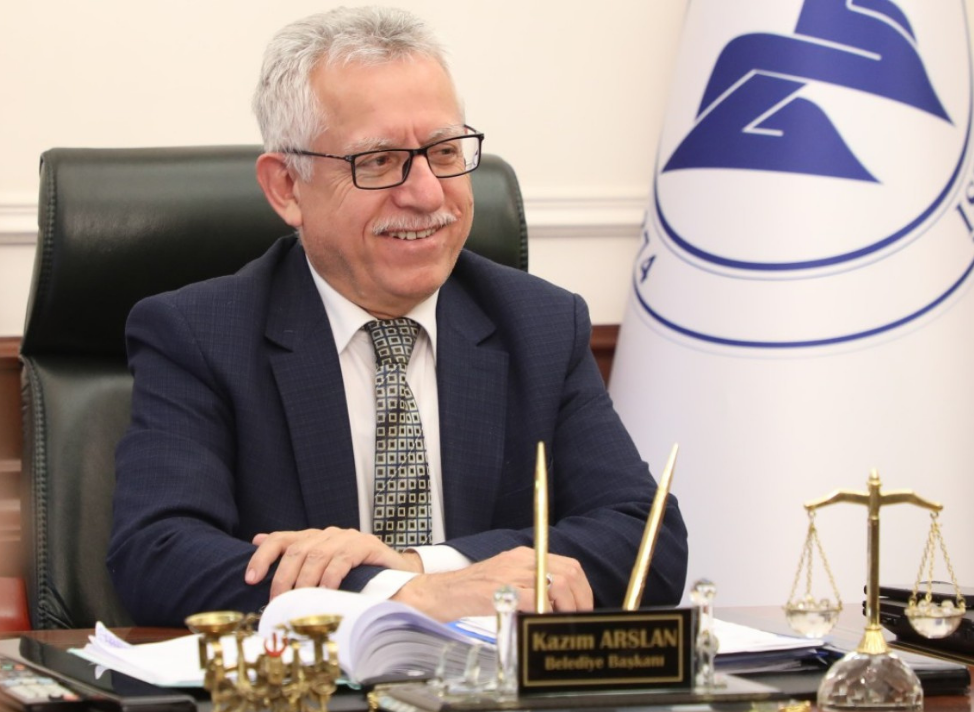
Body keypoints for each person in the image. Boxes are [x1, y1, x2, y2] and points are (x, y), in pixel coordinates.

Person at [107, 6, 687, 627]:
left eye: (445, 151)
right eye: (379, 160)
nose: (428, 193)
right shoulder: (200, 334)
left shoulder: (540, 323)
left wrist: (423, 570)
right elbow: (157, 555)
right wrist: (393, 597)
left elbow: (647, 538)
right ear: (287, 187)